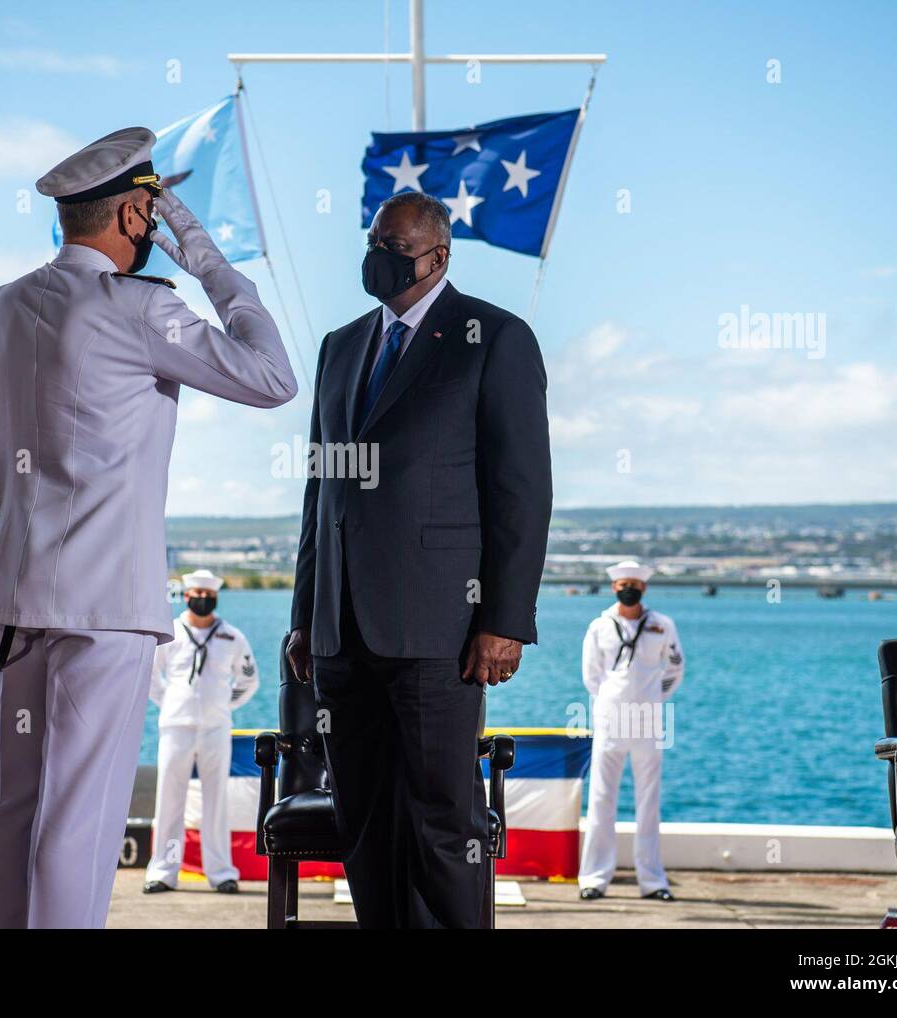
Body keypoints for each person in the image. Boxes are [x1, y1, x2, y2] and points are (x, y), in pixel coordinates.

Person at [0, 126, 296, 929]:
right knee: (80, 822)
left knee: (16, 810)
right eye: (154, 212)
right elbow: (273, 377)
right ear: (139, 216)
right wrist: (203, 256)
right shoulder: (142, 310)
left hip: (12, 604)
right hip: (105, 612)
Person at [285, 191, 552, 928]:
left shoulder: (494, 338)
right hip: (342, 630)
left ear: (439, 256)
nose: (381, 258)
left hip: (443, 629)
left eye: (396, 248)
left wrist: (505, 619)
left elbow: (521, 493)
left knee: (443, 825)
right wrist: (307, 616)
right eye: (374, 242)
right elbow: (321, 493)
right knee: (363, 823)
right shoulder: (339, 346)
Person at [142, 569, 259, 895]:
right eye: (197, 595)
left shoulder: (232, 637)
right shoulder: (171, 634)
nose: (202, 601)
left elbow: (249, 681)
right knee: (169, 799)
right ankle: (163, 871)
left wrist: (223, 704)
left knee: (216, 800)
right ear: (187, 596)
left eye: (208, 596)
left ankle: (222, 873)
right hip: (175, 726)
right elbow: (151, 675)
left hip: (215, 728)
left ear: (215, 598)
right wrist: (170, 703)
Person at [577, 560, 685, 901]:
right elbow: (591, 676)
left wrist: (653, 696)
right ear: (613, 587)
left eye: (635, 584)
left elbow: (676, 668)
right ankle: (593, 879)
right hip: (610, 720)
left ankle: (653, 882)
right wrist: (613, 701)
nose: (630, 589)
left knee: (649, 800)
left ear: (644, 588)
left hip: (649, 721)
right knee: (601, 798)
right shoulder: (599, 626)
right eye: (624, 584)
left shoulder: (661, 625)